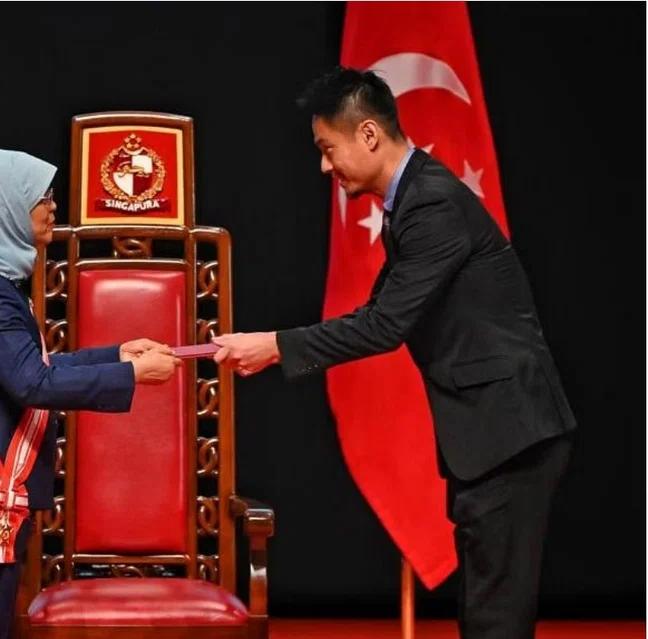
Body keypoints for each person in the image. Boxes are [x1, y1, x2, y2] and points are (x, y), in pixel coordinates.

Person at [212, 67, 576, 639]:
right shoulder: (413, 199)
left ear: (370, 136)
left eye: (328, 149)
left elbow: (383, 326)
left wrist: (277, 346)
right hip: (492, 436)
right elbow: (377, 316)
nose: (324, 167)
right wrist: (276, 345)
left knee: (495, 618)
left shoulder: (431, 204)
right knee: (487, 611)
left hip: (511, 435)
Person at [0, 148, 181, 639]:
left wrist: (117, 355)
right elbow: (32, 383)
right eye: (40, 196)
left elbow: (30, 368)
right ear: (2, 208)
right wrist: (132, 376)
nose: (53, 206)